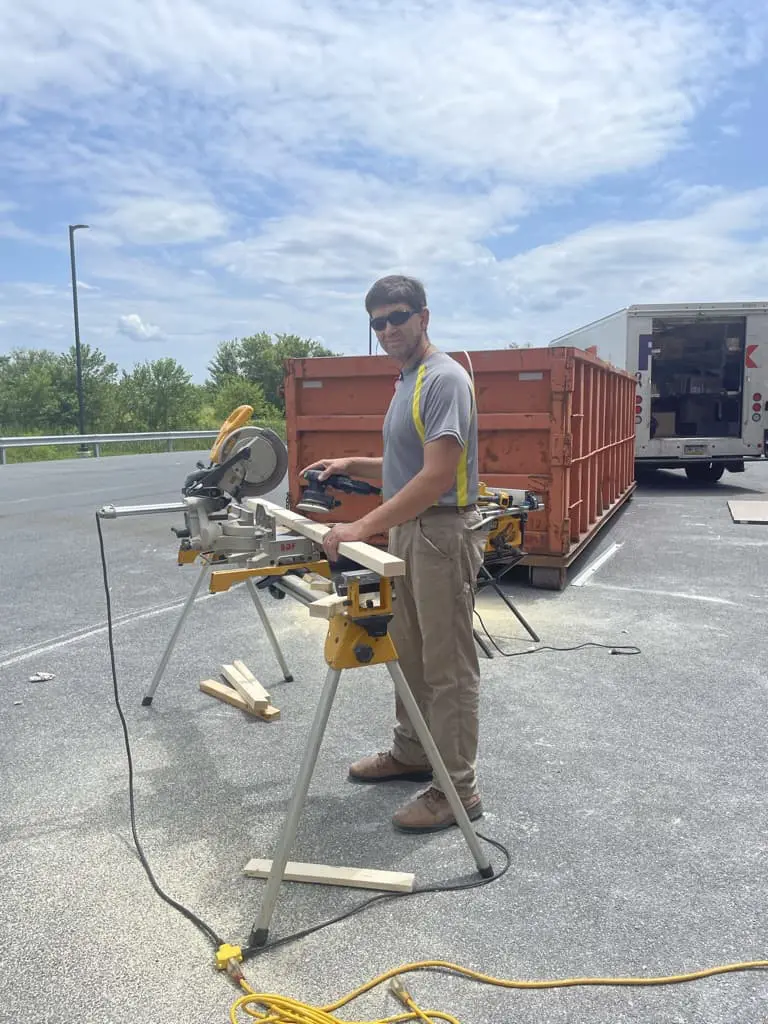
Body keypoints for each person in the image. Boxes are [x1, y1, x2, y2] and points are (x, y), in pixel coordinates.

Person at [301, 274, 487, 834]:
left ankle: (458, 790)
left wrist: (358, 526)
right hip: (410, 532)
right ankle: (412, 752)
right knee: (404, 650)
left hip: (439, 533)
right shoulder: (407, 380)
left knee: (447, 667)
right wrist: (351, 465)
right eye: (378, 322)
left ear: (424, 317)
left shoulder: (443, 379)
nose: (388, 329)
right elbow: (407, 467)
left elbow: (434, 479)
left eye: (398, 317)